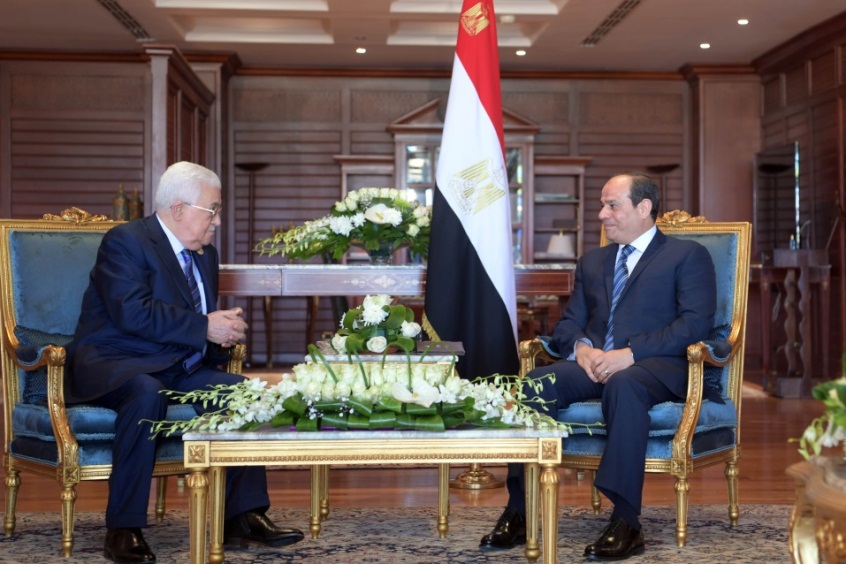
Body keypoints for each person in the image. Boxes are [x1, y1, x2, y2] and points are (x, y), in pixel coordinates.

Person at [66, 161, 304, 563]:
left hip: (176, 367)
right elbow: (132, 313)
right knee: (146, 391)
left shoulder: (204, 255)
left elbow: (196, 322)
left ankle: (243, 517)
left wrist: (222, 333)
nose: (217, 222)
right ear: (179, 209)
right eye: (212, 210)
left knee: (241, 393)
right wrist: (203, 327)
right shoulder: (127, 241)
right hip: (118, 362)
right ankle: (123, 527)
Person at [479, 173, 716, 561]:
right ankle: (521, 508)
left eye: (612, 205)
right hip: (594, 364)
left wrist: (629, 354)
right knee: (533, 385)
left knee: (625, 385)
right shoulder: (593, 262)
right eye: (602, 205)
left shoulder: (686, 255)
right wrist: (583, 349)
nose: (602, 213)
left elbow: (694, 324)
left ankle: (626, 520)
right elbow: (569, 323)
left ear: (643, 208)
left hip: (654, 368)